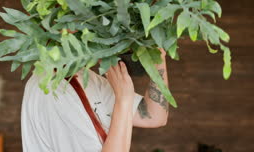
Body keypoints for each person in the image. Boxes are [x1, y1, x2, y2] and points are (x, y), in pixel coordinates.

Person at [21, 48, 170, 152]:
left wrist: (158, 60)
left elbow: (154, 116)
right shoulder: (55, 89)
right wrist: (123, 99)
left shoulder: (84, 77)